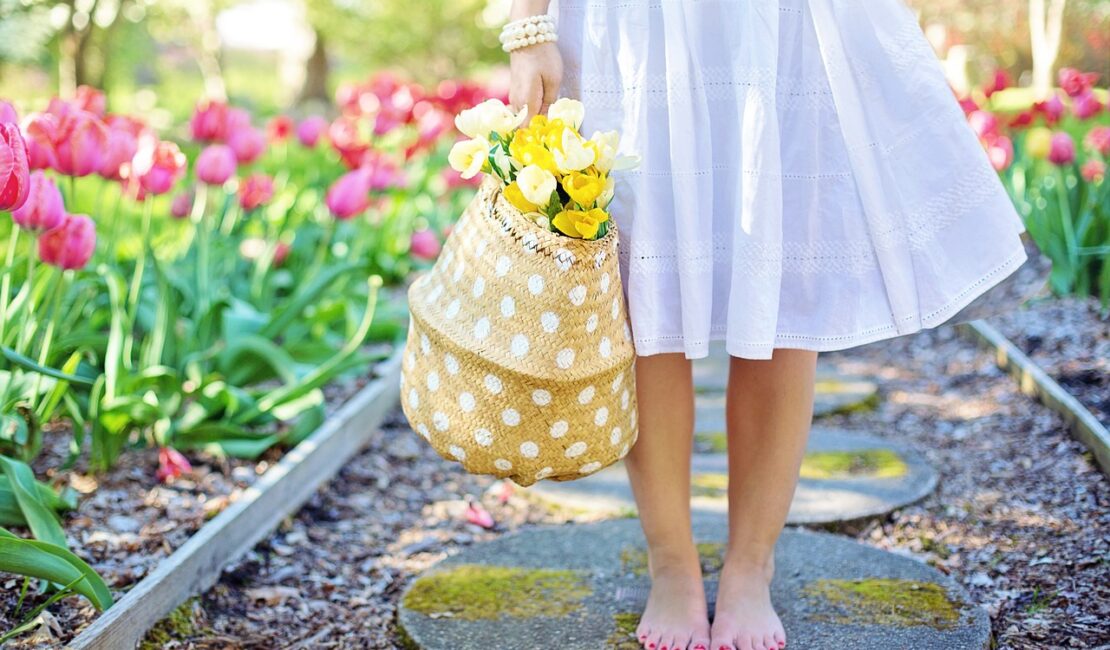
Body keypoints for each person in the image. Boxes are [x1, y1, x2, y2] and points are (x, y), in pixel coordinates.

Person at [504, 1, 1029, 649]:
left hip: (781, 20)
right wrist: (528, 27)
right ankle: (672, 563)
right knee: (642, 278)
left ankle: (752, 564)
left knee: (782, 272)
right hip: (631, 22)